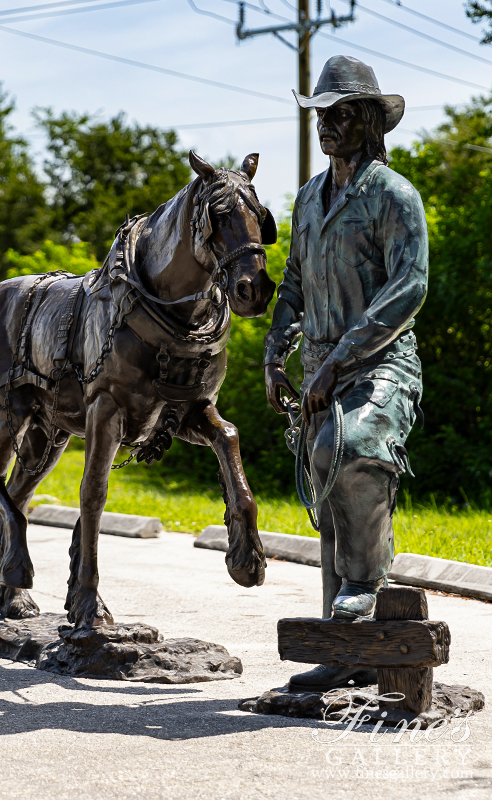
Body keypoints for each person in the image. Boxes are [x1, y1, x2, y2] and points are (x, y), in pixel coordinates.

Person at [264, 56, 428, 691]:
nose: (324, 125)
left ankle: (362, 588)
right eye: (318, 115)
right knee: (327, 490)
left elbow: (408, 286)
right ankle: (343, 651)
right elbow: (295, 283)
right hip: (317, 369)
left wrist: (339, 360)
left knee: (353, 448)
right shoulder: (310, 196)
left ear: (365, 119)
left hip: (381, 362)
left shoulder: (394, 195)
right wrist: (276, 350)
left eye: (336, 114)